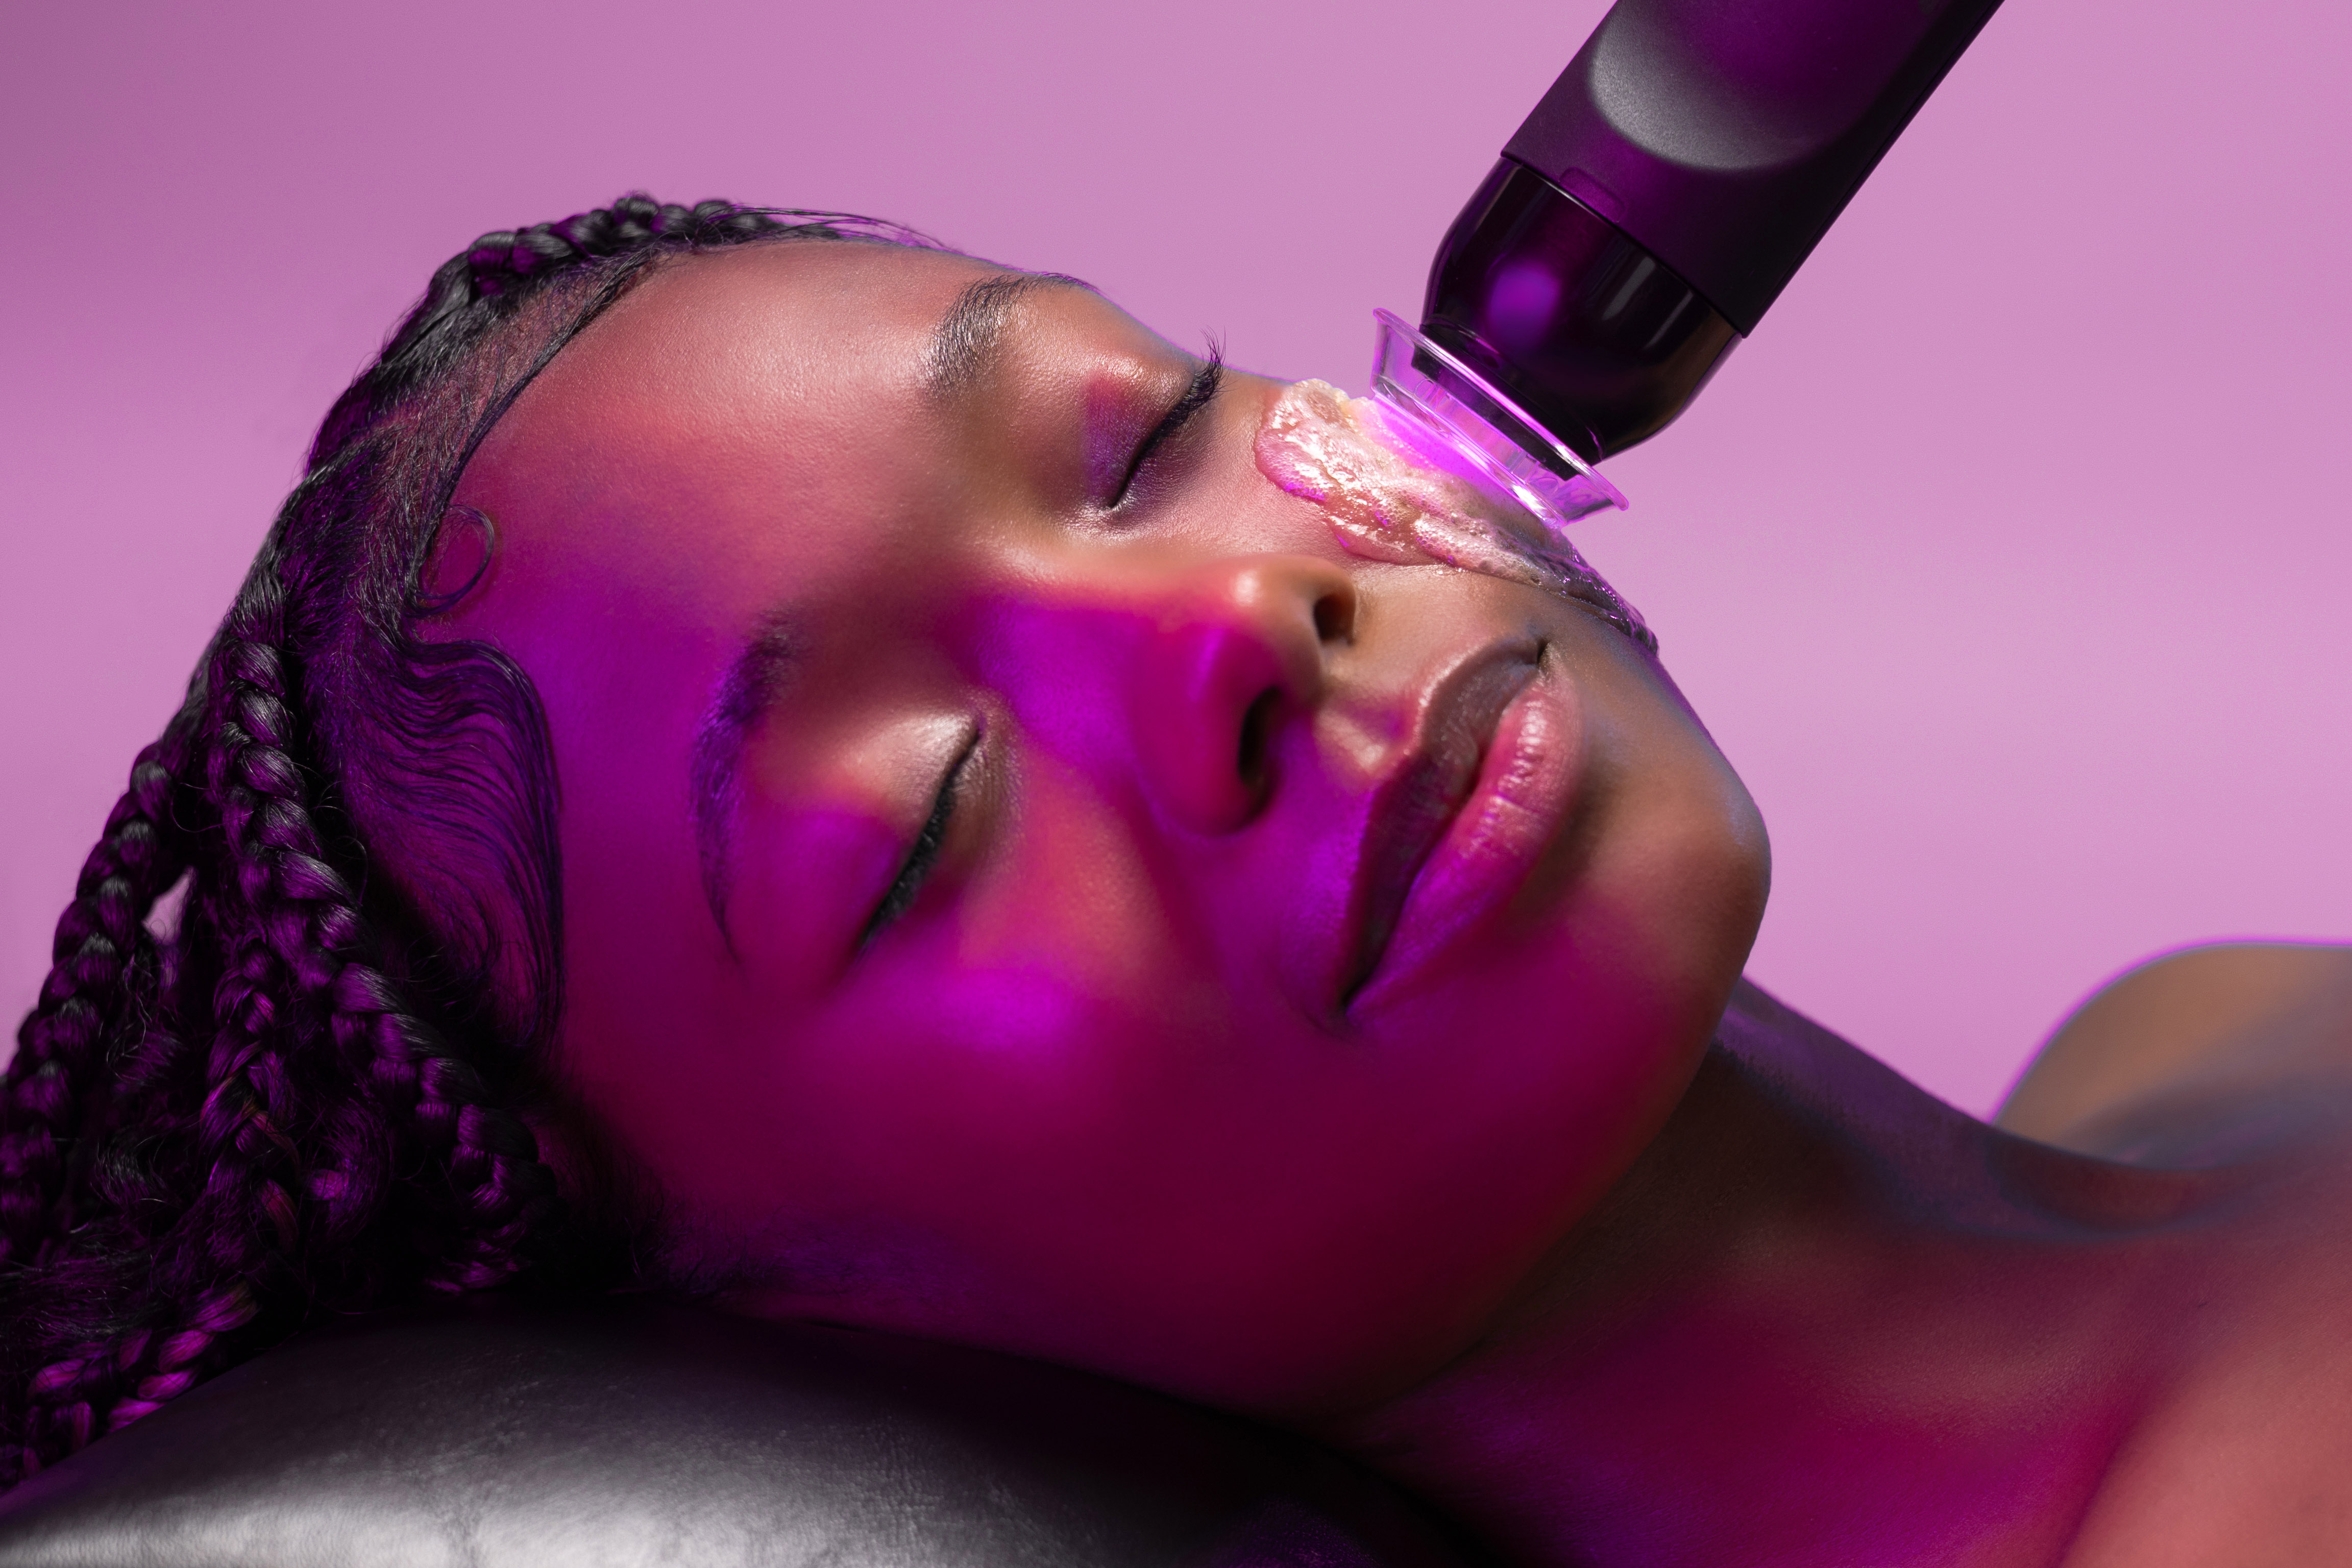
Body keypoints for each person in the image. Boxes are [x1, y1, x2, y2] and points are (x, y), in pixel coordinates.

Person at [8, 192, 2351, 1565]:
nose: (1238, 627)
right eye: (929, 820)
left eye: (1133, 440)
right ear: (814, 1320)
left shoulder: (2214, 1029)